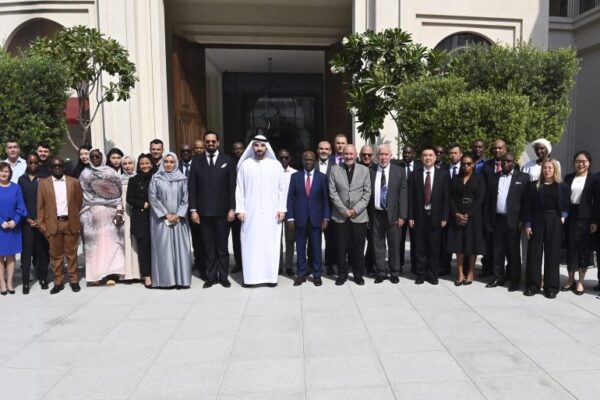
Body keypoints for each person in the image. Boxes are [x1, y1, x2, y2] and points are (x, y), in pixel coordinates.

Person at [235, 135, 287, 286]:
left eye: (262, 145)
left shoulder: (276, 165)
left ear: (266, 147)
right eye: (256, 145)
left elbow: (282, 189)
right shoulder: (245, 165)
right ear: (252, 147)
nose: (259, 148)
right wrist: (240, 210)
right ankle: (250, 278)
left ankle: (271, 278)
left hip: (272, 213)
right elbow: (240, 189)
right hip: (250, 213)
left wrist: (282, 209)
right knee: (250, 244)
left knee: (270, 244)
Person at [189, 132, 236, 288]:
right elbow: (192, 187)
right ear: (204, 142)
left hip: (223, 212)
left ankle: (223, 276)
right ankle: (211, 277)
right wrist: (193, 210)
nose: (210, 143)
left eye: (213, 141)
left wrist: (232, 208)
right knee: (208, 247)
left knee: (222, 247)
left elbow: (232, 187)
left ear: (218, 143)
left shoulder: (227, 160)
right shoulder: (196, 161)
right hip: (203, 212)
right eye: (207, 141)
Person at [524, 159, 570, 298]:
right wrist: (527, 224)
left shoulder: (562, 186)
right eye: (545, 168)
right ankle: (533, 285)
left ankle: (551, 287)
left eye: (550, 168)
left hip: (554, 221)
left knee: (553, 254)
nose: (547, 170)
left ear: (555, 169)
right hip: (537, 221)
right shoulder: (533, 186)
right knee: (534, 253)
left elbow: (567, 204)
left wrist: (563, 217)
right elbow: (527, 206)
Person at [37, 157, 83, 294]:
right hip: (53, 223)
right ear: (50, 168)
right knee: (56, 256)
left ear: (64, 167)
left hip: (70, 222)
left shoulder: (74, 182)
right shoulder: (43, 184)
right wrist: (42, 226)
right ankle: (58, 282)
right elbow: (40, 207)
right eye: (54, 166)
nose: (57, 168)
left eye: (60, 166)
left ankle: (74, 280)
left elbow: (79, 202)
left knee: (72, 254)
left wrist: (75, 218)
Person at [80, 149, 126, 286]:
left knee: (112, 245)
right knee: (95, 247)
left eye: (97, 157)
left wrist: (119, 211)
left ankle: (111, 275)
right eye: (92, 157)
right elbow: (85, 195)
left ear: (102, 158)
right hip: (92, 216)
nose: (95, 159)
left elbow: (118, 195)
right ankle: (96, 276)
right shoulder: (85, 174)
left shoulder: (111, 173)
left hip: (110, 215)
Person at [485, 153, 529, 291]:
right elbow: (488, 200)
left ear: (514, 162)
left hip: (513, 221)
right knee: (497, 250)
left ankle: (515, 280)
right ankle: (498, 277)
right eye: (503, 161)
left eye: (509, 161)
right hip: (497, 219)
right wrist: (488, 220)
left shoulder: (523, 177)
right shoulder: (493, 177)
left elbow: (526, 202)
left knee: (513, 252)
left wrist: (522, 220)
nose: (506, 163)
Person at [329, 144, 371, 286]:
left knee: (358, 248)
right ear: (342, 155)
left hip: (359, 216)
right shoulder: (334, 169)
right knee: (341, 247)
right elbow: (332, 192)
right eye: (346, 154)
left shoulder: (364, 170)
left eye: (351, 154)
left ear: (356, 154)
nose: (348, 156)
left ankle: (358, 275)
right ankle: (342, 274)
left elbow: (367, 193)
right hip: (340, 216)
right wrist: (343, 210)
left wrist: (354, 210)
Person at [149, 152, 192, 288]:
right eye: (166, 161)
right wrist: (165, 214)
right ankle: (165, 281)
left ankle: (181, 280)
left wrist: (178, 214)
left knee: (181, 249)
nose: (168, 164)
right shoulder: (156, 178)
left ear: (176, 163)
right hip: (161, 220)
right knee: (163, 248)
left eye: (171, 162)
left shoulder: (182, 179)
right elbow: (153, 198)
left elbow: (186, 199)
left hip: (179, 220)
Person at [287, 151, 330, 286]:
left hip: (316, 219)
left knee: (316, 249)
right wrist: (290, 218)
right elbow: (290, 198)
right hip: (299, 218)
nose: (308, 162)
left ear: (314, 161)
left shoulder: (322, 177)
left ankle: (317, 275)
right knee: (300, 249)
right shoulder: (295, 177)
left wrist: (326, 217)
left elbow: (326, 200)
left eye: (311, 160)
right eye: (305, 159)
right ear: (302, 161)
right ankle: (301, 274)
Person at [408, 146, 450, 285]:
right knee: (420, 247)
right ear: (421, 158)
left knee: (434, 248)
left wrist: (445, 216)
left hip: (436, 217)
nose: (428, 158)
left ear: (435, 157)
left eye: (430, 155)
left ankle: (432, 274)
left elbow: (446, 198)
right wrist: (411, 216)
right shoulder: (414, 175)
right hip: (419, 216)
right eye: (425, 155)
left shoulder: (443, 175)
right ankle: (421, 274)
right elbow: (410, 197)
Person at [368, 144, 407, 284]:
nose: (383, 157)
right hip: (376, 214)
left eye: (386, 154)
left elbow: (403, 194)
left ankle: (394, 271)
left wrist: (402, 215)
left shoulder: (399, 171)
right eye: (381, 154)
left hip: (394, 214)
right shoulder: (371, 171)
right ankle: (381, 272)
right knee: (378, 244)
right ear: (377, 156)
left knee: (394, 244)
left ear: (391, 156)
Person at [562, 151, 599, 295]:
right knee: (571, 248)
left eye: (583, 161)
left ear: (589, 163)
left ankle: (581, 282)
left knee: (583, 249)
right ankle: (571, 279)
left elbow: (597, 203)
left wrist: (595, 221)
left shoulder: (594, 180)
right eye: (577, 161)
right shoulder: (568, 177)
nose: (580, 164)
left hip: (586, 218)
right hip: (570, 217)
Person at [447, 154, 486, 286]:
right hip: (457, 216)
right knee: (459, 246)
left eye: (468, 164)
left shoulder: (479, 179)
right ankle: (460, 273)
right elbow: (451, 198)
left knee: (471, 245)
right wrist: (456, 214)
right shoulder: (456, 179)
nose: (466, 166)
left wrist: (468, 214)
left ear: (473, 165)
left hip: (473, 217)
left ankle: (470, 271)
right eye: (463, 164)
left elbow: (480, 199)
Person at [18, 153, 50, 294]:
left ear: (39, 163)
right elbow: (20, 201)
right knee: (27, 253)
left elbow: (47, 200)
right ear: (27, 163)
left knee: (42, 251)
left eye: (35, 162)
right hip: (27, 222)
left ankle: (43, 279)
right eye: (30, 162)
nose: (33, 165)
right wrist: (27, 218)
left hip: (41, 221)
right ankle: (25, 283)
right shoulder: (22, 179)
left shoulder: (44, 178)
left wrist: (39, 219)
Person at [480, 139, 509, 277]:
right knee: (488, 241)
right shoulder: (486, 166)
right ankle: (487, 269)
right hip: (490, 209)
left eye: (500, 148)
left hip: (507, 211)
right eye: (495, 148)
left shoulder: (514, 165)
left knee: (506, 245)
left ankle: (507, 271)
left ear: (505, 149)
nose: (497, 150)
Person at [126, 154, 154, 288]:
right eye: (142, 163)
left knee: (156, 247)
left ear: (151, 164)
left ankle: (157, 273)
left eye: (147, 163)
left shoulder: (157, 178)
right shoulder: (134, 180)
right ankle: (147, 276)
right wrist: (143, 204)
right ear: (139, 165)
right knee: (144, 248)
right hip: (141, 217)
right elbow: (129, 198)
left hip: (156, 217)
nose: (145, 166)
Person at [0, 162, 27, 295]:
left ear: (10, 173)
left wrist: (15, 221)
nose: (3, 173)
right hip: (0, 228)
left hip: (13, 228)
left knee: (11, 257)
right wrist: (1, 222)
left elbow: (21, 207)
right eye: (1, 171)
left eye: (6, 171)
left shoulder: (16, 187)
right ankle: (2, 284)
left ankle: (10, 283)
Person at [181, 142, 206, 278]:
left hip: (196, 207)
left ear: (192, 153)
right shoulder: (176, 166)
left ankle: (201, 262)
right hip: (180, 208)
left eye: (188, 151)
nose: (185, 153)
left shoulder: (199, 164)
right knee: (184, 237)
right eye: (183, 151)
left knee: (199, 237)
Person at [439, 144, 463, 276]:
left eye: (455, 153)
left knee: (461, 240)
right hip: (445, 210)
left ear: (461, 154)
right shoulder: (442, 169)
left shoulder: (466, 168)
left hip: (461, 211)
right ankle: (444, 266)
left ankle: (463, 269)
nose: (453, 155)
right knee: (444, 240)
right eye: (451, 153)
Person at [397, 145, 421, 274]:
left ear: (414, 154)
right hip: (400, 210)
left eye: (409, 153)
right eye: (404, 152)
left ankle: (415, 266)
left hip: (415, 210)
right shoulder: (397, 166)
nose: (406, 155)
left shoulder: (420, 166)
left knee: (416, 240)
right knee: (399, 240)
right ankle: (399, 265)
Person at [317, 140, 336, 275]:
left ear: (330, 151)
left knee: (331, 239)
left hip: (331, 207)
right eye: (321, 149)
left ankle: (330, 264)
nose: (323, 151)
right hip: (314, 207)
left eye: (326, 149)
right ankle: (313, 264)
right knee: (313, 238)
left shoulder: (336, 166)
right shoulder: (310, 164)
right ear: (317, 150)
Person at [121, 156, 140, 281]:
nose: (128, 166)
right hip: (125, 213)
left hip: (137, 212)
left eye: (130, 163)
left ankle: (139, 273)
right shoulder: (119, 179)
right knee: (127, 241)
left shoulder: (139, 178)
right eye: (125, 164)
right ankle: (128, 273)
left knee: (137, 241)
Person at [278, 148, 297, 275]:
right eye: (281, 157)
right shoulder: (273, 172)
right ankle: (278, 265)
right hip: (276, 211)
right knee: (276, 240)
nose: (283, 159)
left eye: (286, 157)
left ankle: (289, 266)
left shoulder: (295, 173)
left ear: (290, 159)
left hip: (290, 211)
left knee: (290, 240)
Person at [358, 144, 376, 275]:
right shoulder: (355, 167)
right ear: (360, 155)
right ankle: (356, 264)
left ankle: (369, 265)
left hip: (373, 210)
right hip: (357, 209)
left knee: (372, 240)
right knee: (357, 241)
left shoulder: (377, 169)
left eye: (369, 155)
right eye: (364, 154)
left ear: (373, 156)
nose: (366, 157)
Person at [229, 141, 245, 274]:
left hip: (246, 207)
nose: (238, 151)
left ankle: (248, 262)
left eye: (240, 148)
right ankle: (239, 263)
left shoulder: (248, 163)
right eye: (235, 149)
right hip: (232, 206)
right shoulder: (229, 163)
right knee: (236, 237)